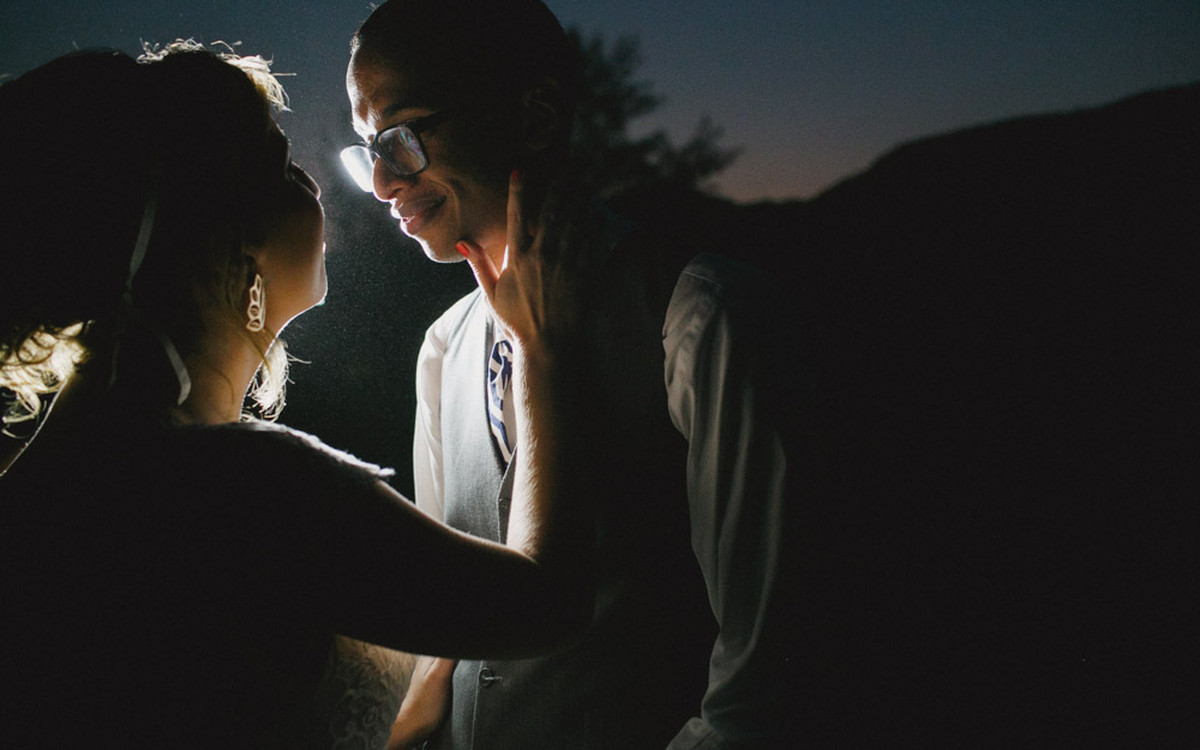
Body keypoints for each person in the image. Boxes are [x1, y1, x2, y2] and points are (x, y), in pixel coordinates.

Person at [0, 41, 602, 750]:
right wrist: (541, 351)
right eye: (284, 166)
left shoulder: (56, 470)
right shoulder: (248, 489)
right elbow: (546, 605)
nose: (322, 185)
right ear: (231, 237)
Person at [344, 1, 796, 747]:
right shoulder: (443, 348)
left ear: (540, 113)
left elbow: (765, 680)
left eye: (402, 137)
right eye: (367, 149)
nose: (384, 184)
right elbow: (454, 621)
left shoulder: (704, 315)